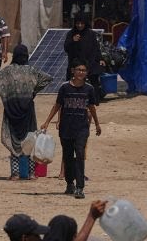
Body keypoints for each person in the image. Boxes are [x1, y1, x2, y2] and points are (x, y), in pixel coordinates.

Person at [0, 44, 54, 180]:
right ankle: (31, 173)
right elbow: (48, 78)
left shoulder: (7, 71)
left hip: (11, 111)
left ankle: (15, 173)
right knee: (30, 141)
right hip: (28, 110)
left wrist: (2, 93)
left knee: (13, 141)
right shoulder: (31, 70)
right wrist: (33, 91)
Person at [42, 63, 102, 199]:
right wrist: (47, 121)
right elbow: (58, 105)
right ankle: (70, 183)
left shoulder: (89, 89)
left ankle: (80, 187)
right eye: (78, 70)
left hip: (82, 128)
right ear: (73, 71)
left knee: (80, 154)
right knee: (68, 157)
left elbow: (92, 107)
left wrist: (97, 124)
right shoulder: (65, 88)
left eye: (84, 70)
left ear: (86, 72)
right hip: (66, 128)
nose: (81, 72)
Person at [63, 16, 103, 86]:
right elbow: (66, 48)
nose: (80, 25)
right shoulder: (71, 34)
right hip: (75, 63)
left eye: (82, 23)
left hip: (90, 63)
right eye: (78, 23)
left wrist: (100, 59)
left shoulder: (91, 34)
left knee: (94, 83)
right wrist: (73, 41)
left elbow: (96, 47)